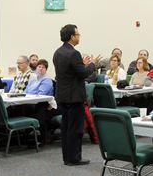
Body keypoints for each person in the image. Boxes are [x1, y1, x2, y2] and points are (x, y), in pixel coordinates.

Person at [53, 24, 97, 166]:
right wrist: (92, 64)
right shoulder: (74, 53)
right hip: (75, 97)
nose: (79, 37)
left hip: (63, 96)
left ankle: (67, 157)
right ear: (72, 36)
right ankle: (74, 158)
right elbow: (83, 74)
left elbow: (70, 72)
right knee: (75, 129)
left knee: (66, 128)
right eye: (77, 34)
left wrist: (81, 64)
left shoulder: (58, 52)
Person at [23, 59, 54, 146]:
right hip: (31, 102)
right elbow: (25, 92)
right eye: (39, 67)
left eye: (43, 67)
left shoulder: (47, 80)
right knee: (18, 108)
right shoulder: (33, 80)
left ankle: (42, 139)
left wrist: (29, 94)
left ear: (46, 69)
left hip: (43, 105)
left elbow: (40, 95)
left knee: (36, 109)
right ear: (36, 68)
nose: (40, 69)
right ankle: (23, 136)